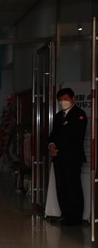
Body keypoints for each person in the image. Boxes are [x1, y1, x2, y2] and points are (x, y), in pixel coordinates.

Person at [48, 88, 87, 226]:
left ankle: (75, 217)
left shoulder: (79, 115)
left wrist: (57, 146)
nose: (63, 102)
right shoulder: (58, 116)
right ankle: (65, 214)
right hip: (58, 157)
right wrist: (51, 145)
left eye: (65, 99)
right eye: (60, 100)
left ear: (73, 99)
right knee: (61, 187)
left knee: (72, 187)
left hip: (72, 158)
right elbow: (53, 134)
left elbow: (73, 135)